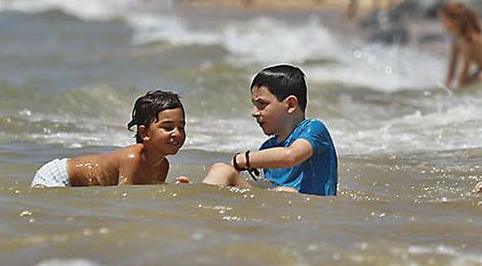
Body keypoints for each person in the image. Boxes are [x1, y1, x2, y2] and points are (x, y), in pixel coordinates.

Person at [202, 64, 338, 195]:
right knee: (221, 170)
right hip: (280, 210)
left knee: (286, 191)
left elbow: (291, 156)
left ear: (291, 104)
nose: (254, 112)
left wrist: (243, 159)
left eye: (262, 104)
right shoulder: (267, 148)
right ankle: (199, 197)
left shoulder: (314, 129)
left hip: (308, 212)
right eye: (254, 105)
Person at [31, 90, 189, 187]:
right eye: (168, 128)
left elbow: (146, 197)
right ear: (144, 133)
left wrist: (174, 190)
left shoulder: (163, 166)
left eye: (181, 127)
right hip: (57, 177)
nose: (177, 133)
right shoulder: (132, 158)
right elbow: (125, 199)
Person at [440, 1, 482, 88]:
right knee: (469, 82)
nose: (442, 23)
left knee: (477, 80)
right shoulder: (456, 40)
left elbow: (466, 65)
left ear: (454, 20)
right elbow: (452, 66)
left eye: (444, 20)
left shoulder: (469, 38)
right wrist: (447, 84)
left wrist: (460, 86)